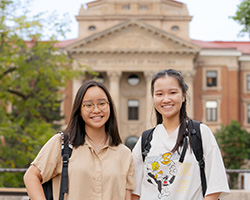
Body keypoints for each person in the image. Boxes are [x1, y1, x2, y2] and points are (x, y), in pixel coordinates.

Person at [24, 80, 135, 200]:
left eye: (102, 103)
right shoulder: (62, 143)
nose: (96, 110)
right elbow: (31, 176)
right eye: (88, 105)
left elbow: (127, 196)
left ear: (110, 107)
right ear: (80, 111)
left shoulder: (124, 153)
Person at [131, 69, 230, 200]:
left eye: (172, 92)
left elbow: (215, 185)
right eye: (159, 94)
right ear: (154, 98)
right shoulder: (145, 140)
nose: (166, 99)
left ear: (183, 96)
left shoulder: (200, 132)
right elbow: (134, 191)